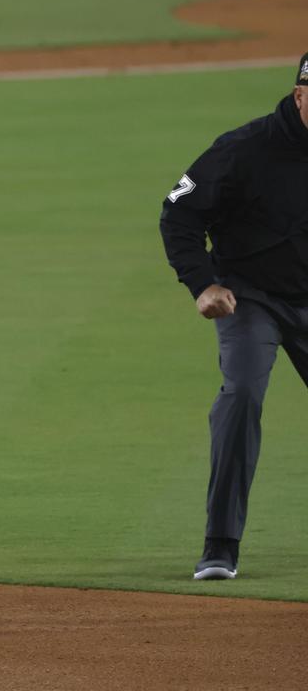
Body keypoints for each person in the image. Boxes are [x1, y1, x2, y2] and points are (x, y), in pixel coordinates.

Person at [160, 52, 308, 580]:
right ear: (299, 96)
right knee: (242, 394)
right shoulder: (244, 150)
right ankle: (220, 545)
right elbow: (179, 211)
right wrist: (203, 284)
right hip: (250, 299)